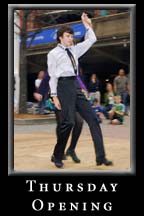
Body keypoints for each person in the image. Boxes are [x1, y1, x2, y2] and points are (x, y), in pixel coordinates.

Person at [47, 12, 113, 168]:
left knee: (94, 120)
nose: (71, 38)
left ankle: (101, 157)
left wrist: (86, 25)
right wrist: (54, 96)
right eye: (68, 36)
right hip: (63, 87)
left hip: (75, 86)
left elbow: (92, 39)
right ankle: (57, 155)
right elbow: (52, 77)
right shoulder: (53, 54)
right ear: (60, 38)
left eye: (72, 36)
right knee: (68, 123)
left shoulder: (75, 50)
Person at [34, 71, 85, 164]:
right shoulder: (56, 60)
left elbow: (77, 78)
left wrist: (84, 90)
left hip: (71, 97)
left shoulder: (72, 62)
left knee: (79, 122)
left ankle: (71, 149)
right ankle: (59, 153)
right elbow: (48, 76)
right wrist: (40, 91)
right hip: (58, 97)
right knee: (62, 123)